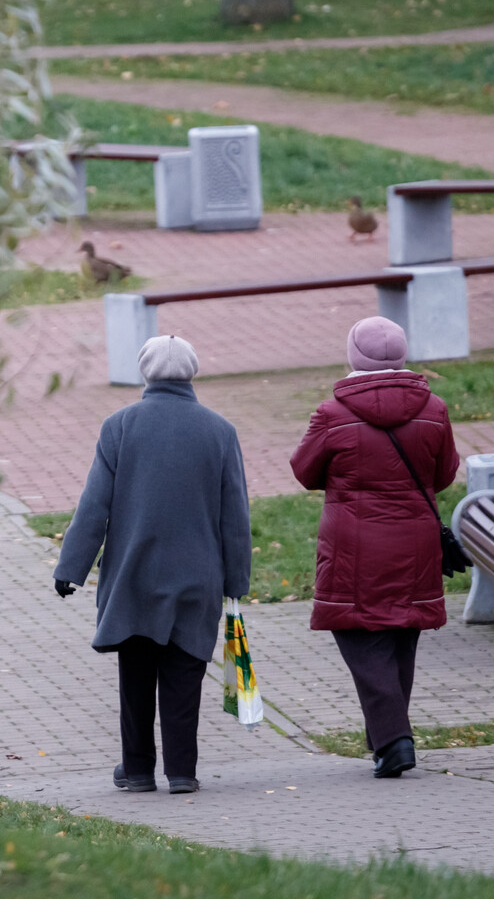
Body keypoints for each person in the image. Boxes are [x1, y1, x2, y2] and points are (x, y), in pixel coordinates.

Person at [52, 334, 251, 795]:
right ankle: (182, 771)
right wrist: (236, 580)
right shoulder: (220, 431)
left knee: (136, 676)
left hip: (134, 576)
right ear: (192, 372)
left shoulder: (119, 426)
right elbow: (234, 515)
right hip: (197, 578)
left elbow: (93, 505)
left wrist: (71, 569)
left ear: (145, 372)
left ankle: (137, 770)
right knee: (185, 672)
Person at [289, 315, 459, 779]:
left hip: (354, 543)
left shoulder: (332, 413)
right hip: (416, 541)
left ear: (353, 356)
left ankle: (393, 739)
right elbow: (443, 475)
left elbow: (304, 472)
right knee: (402, 633)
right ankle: (389, 739)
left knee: (361, 636)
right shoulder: (435, 408)